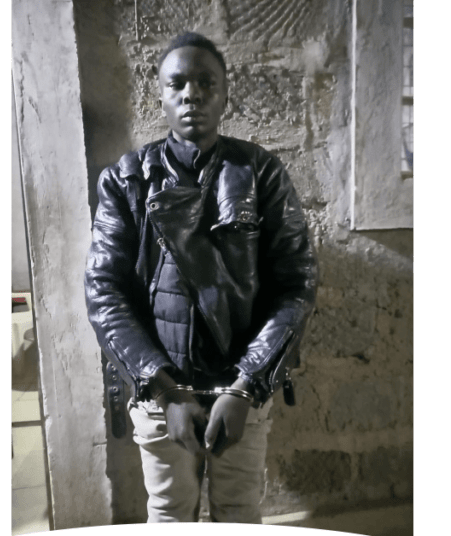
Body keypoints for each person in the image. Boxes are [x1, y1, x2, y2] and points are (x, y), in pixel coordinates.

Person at [85, 32, 317, 523]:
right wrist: (165, 390)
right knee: (170, 516)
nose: (192, 94)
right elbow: (104, 293)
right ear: (161, 97)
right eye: (178, 84)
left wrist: (246, 386)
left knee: (239, 515)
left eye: (206, 82)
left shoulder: (262, 174)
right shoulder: (126, 180)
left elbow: (296, 284)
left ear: (225, 94)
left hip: (242, 389)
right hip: (161, 393)